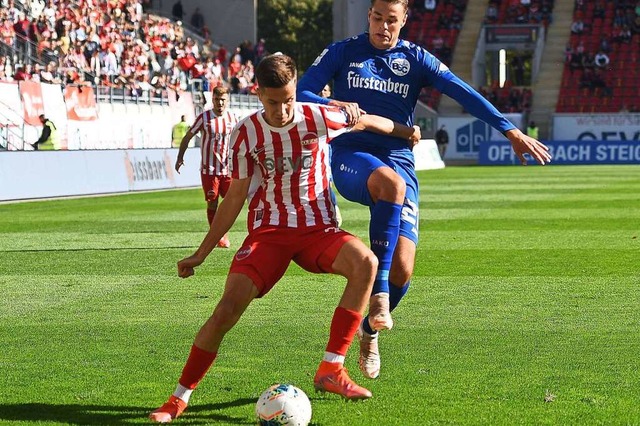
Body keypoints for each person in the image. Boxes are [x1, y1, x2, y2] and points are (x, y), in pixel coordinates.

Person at [148, 53, 421, 423]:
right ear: (258, 93)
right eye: (273, 102)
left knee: (366, 263)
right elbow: (234, 198)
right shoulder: (245, 132)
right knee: (226, 311)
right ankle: (178, 399)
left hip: (318, 231)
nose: (282, 110)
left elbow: (366, 121)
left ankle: (332, 369)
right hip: (269, 235)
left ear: (297, 91)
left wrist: (407, 132)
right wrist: (201, 252)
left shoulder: (318, 116)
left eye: (289, 99)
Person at [297, 0, 551, 380]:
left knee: (403, 268)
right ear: (369, 15)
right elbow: (303, 92)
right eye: (377, 18)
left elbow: (462, 92)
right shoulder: (343, 51)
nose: (383, 26)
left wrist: (509, 130)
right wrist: (333, 103)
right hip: (352, 154)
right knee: (390, 185)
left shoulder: (416, 58)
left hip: (399, 156)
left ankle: (369, 330)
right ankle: (377, 295)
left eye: (391, 21)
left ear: (404, 21)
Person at [175, 86, 238, 248]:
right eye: (217, 99)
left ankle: (223, 232)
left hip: (228, 170)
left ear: (227, 100)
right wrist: (180, 157)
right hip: (209, 171)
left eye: (223, 99)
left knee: (231, 203)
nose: (220, 103)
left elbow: (241, 140)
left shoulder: (233, 118)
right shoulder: (204, 118)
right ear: (213, 100)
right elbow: (188, 136)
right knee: (212, 203)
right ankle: (219, 236)